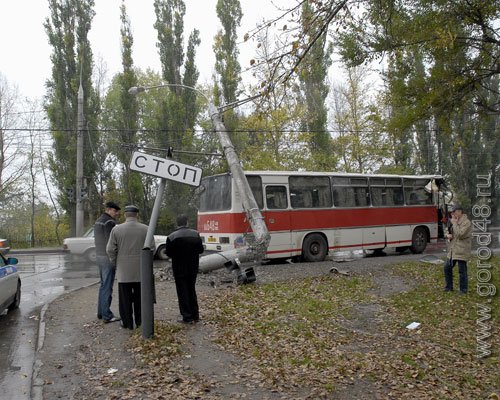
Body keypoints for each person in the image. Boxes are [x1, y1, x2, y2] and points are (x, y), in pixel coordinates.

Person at [106, 205, 154, 330]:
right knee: (140, 298)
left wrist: (116, 262)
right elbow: (151, 249)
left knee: (124, 299)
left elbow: (110, 249)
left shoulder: (116, 230)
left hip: (124, 271)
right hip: (141, 271)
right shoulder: (146, 229)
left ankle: (127, 322)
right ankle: (140, 321)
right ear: (136, 215)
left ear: (125, 215)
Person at [165, 214, 204, 324]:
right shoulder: (196, 234)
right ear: (187, 222)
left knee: (182, 292)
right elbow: (200, 250)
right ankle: (195, 315)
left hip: (179, 268)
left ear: (177, 223)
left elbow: (168, 253)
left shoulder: (171, 237)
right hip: (193, 267)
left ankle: (187, 317)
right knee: (192, 290)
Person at [94, 201, 121, 323]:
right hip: (107, 257)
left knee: (102, 285)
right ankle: (107, 315)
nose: (116, 214)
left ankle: (101, 312)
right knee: (107, 286)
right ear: (109, 209)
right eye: (115, 211)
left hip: (99, 255)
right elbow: (111, 242)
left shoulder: (98, 220)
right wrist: (114, 257)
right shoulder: (109, 222)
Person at [444, 204, 472, 294]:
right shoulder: (453, 221)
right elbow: (447, 230)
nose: (453, 214)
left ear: (460, 212)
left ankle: (463, 290)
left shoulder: (466, 222)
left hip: (462, 250)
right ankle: (449, 287)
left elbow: (460, 234)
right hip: (453, 249)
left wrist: (455, 224)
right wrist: (447, 235)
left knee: (462, 270)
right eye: (452, 212)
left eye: (454, 212)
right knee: (447, 267)